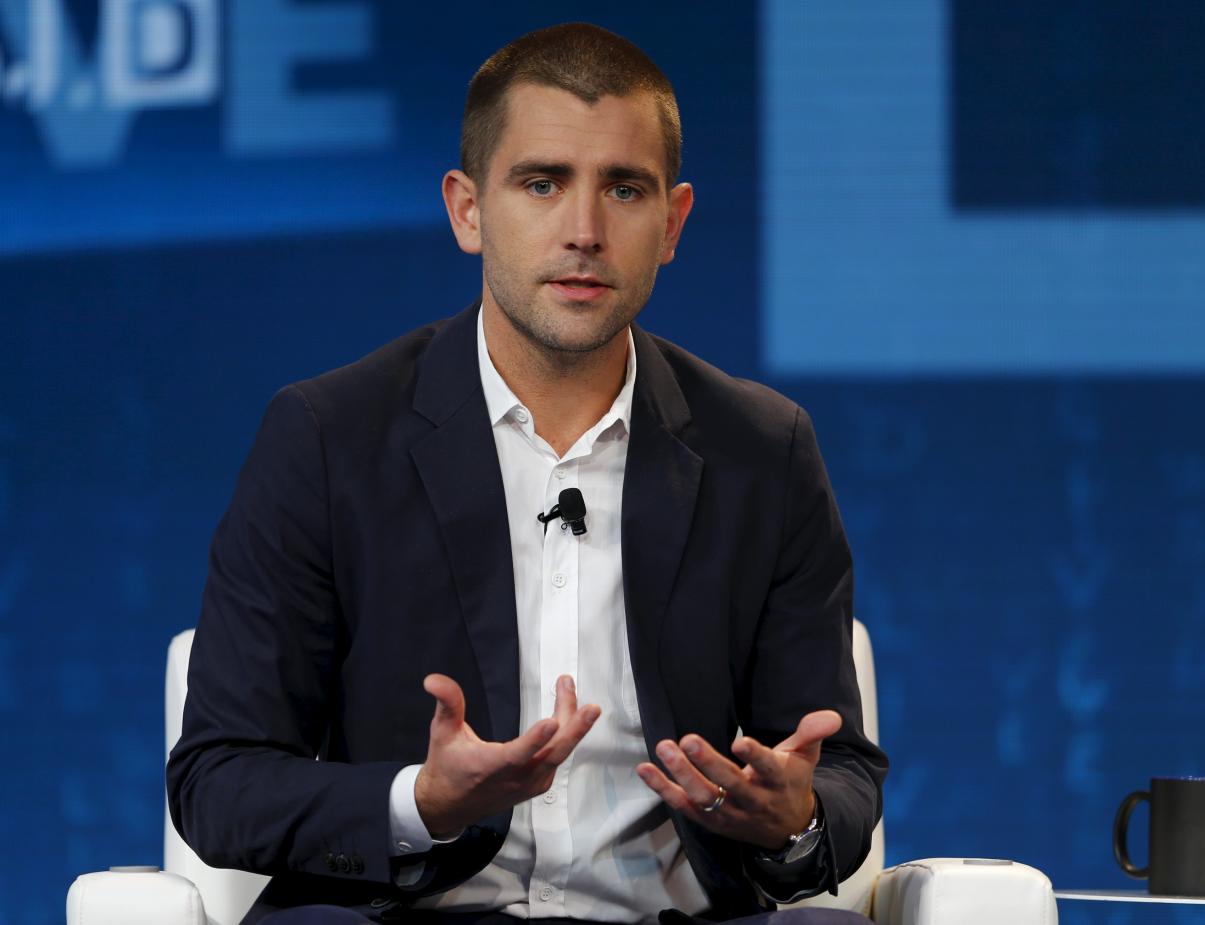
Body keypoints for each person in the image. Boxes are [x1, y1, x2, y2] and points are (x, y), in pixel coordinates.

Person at [167, 22, 886, 925]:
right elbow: (218, 777)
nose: (583, 231)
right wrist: (419, 802)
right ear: (467, 209)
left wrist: (791, 819)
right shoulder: (326, 438)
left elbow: (843, 772)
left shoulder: (762, 449)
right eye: (541, 183)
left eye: (623, 189)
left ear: (673, 223)